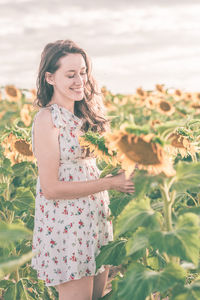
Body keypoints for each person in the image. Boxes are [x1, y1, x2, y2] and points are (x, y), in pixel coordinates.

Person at [31, 39, 135, 300]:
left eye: (83, 72)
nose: (80, 80)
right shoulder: (48, 119)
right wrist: (109, 184)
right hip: (66, 228)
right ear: (50, 77)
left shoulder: (84, 116)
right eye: (70, 74)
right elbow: (51, 188)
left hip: (94, 221)